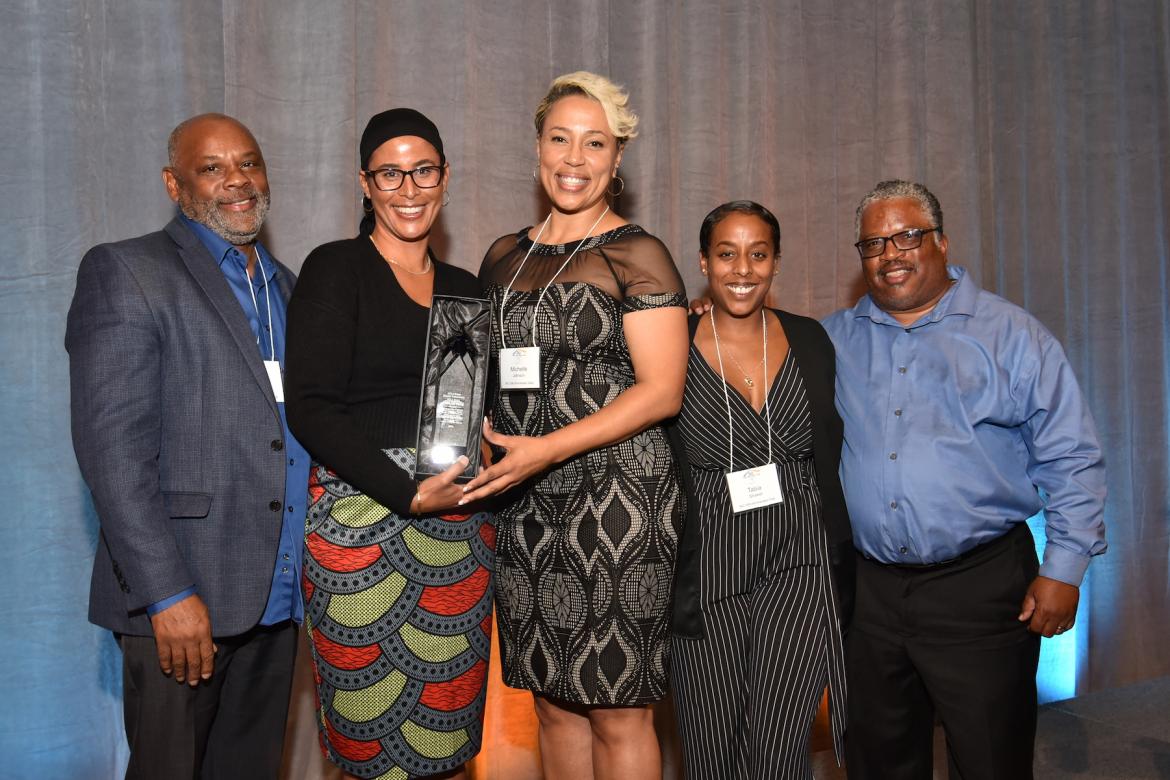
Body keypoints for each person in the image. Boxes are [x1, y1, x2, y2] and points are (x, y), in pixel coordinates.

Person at [821, 179, 1108, 779]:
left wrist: (1065, 570)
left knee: (989, 759)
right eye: (873, 244)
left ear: (942, 243)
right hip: (868, 596)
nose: (889, 254)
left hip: (980, 589)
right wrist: (706, 319)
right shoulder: (833, 341)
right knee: (878, 759)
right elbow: (752, 357)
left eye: (906, 236)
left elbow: (1072, 457)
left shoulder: (1012, 336)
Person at [66, 113, 306, 778]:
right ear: (175, 185)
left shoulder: (289, 288)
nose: (238, 180)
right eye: (214, 167)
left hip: (278, 601)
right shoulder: (128, 270)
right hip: (182, 605)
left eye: (250, 163)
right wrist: (167, 595)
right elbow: (113, 453)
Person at [463, 72, 688, 779]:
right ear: (537, 149)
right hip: (525, 503)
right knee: (552, 699)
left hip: (620, 500)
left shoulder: (636, 253)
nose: (575, 157)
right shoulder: (502, 256)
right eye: (560, 138)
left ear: (617, 161)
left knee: (619, 706)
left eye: (595, 143)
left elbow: (662, 391)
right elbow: (477, 375)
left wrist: (546, 450)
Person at [284, 108, 495, 780]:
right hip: (360, 527)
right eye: (390, 173)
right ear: (365, 183)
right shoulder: (335, 268)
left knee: (447, 742)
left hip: (460, 534)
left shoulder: (468, 290)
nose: (409, 187)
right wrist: (406, 491)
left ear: (445, 176)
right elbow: (311, 407)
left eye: (423, 170)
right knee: (368, 745)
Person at [668, 201, 852, 779]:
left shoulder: (810, 340)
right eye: (726, 254)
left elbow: (837, 448)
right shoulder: (671, 342)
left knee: (778, 751)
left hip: (801, 565)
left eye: (758, 254)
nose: (742, 268)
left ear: (776, 262)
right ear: (703, 261)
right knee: (709, 750)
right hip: (709, 569)